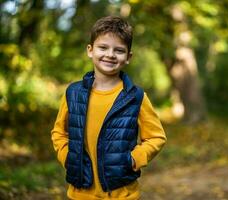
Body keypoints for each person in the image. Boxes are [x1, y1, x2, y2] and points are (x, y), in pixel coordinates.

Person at [51, 16, 167, 199]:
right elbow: (59, 132)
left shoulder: (136, 97)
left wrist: (133, 160)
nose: (110, 54)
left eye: (119, 50)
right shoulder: (73, 93)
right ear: (90, 50)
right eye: (103, 47)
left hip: (121, 193)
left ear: (128, 57)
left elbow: (156, 137)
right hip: (80, 193)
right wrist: (67, 157)